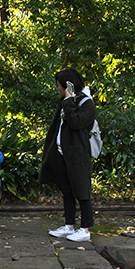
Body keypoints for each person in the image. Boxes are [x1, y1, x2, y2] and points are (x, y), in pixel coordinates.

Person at [39, 67, 96, 242]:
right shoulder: (64, 101)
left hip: (78, 155)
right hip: (62, 153)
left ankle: (85, 229)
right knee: (67, 191)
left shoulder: (86, 102)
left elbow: (76, 122)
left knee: (82, 190)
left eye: (59, 85)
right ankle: (69, 225)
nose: (57, 88)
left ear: (68, 85)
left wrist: (70, 101)